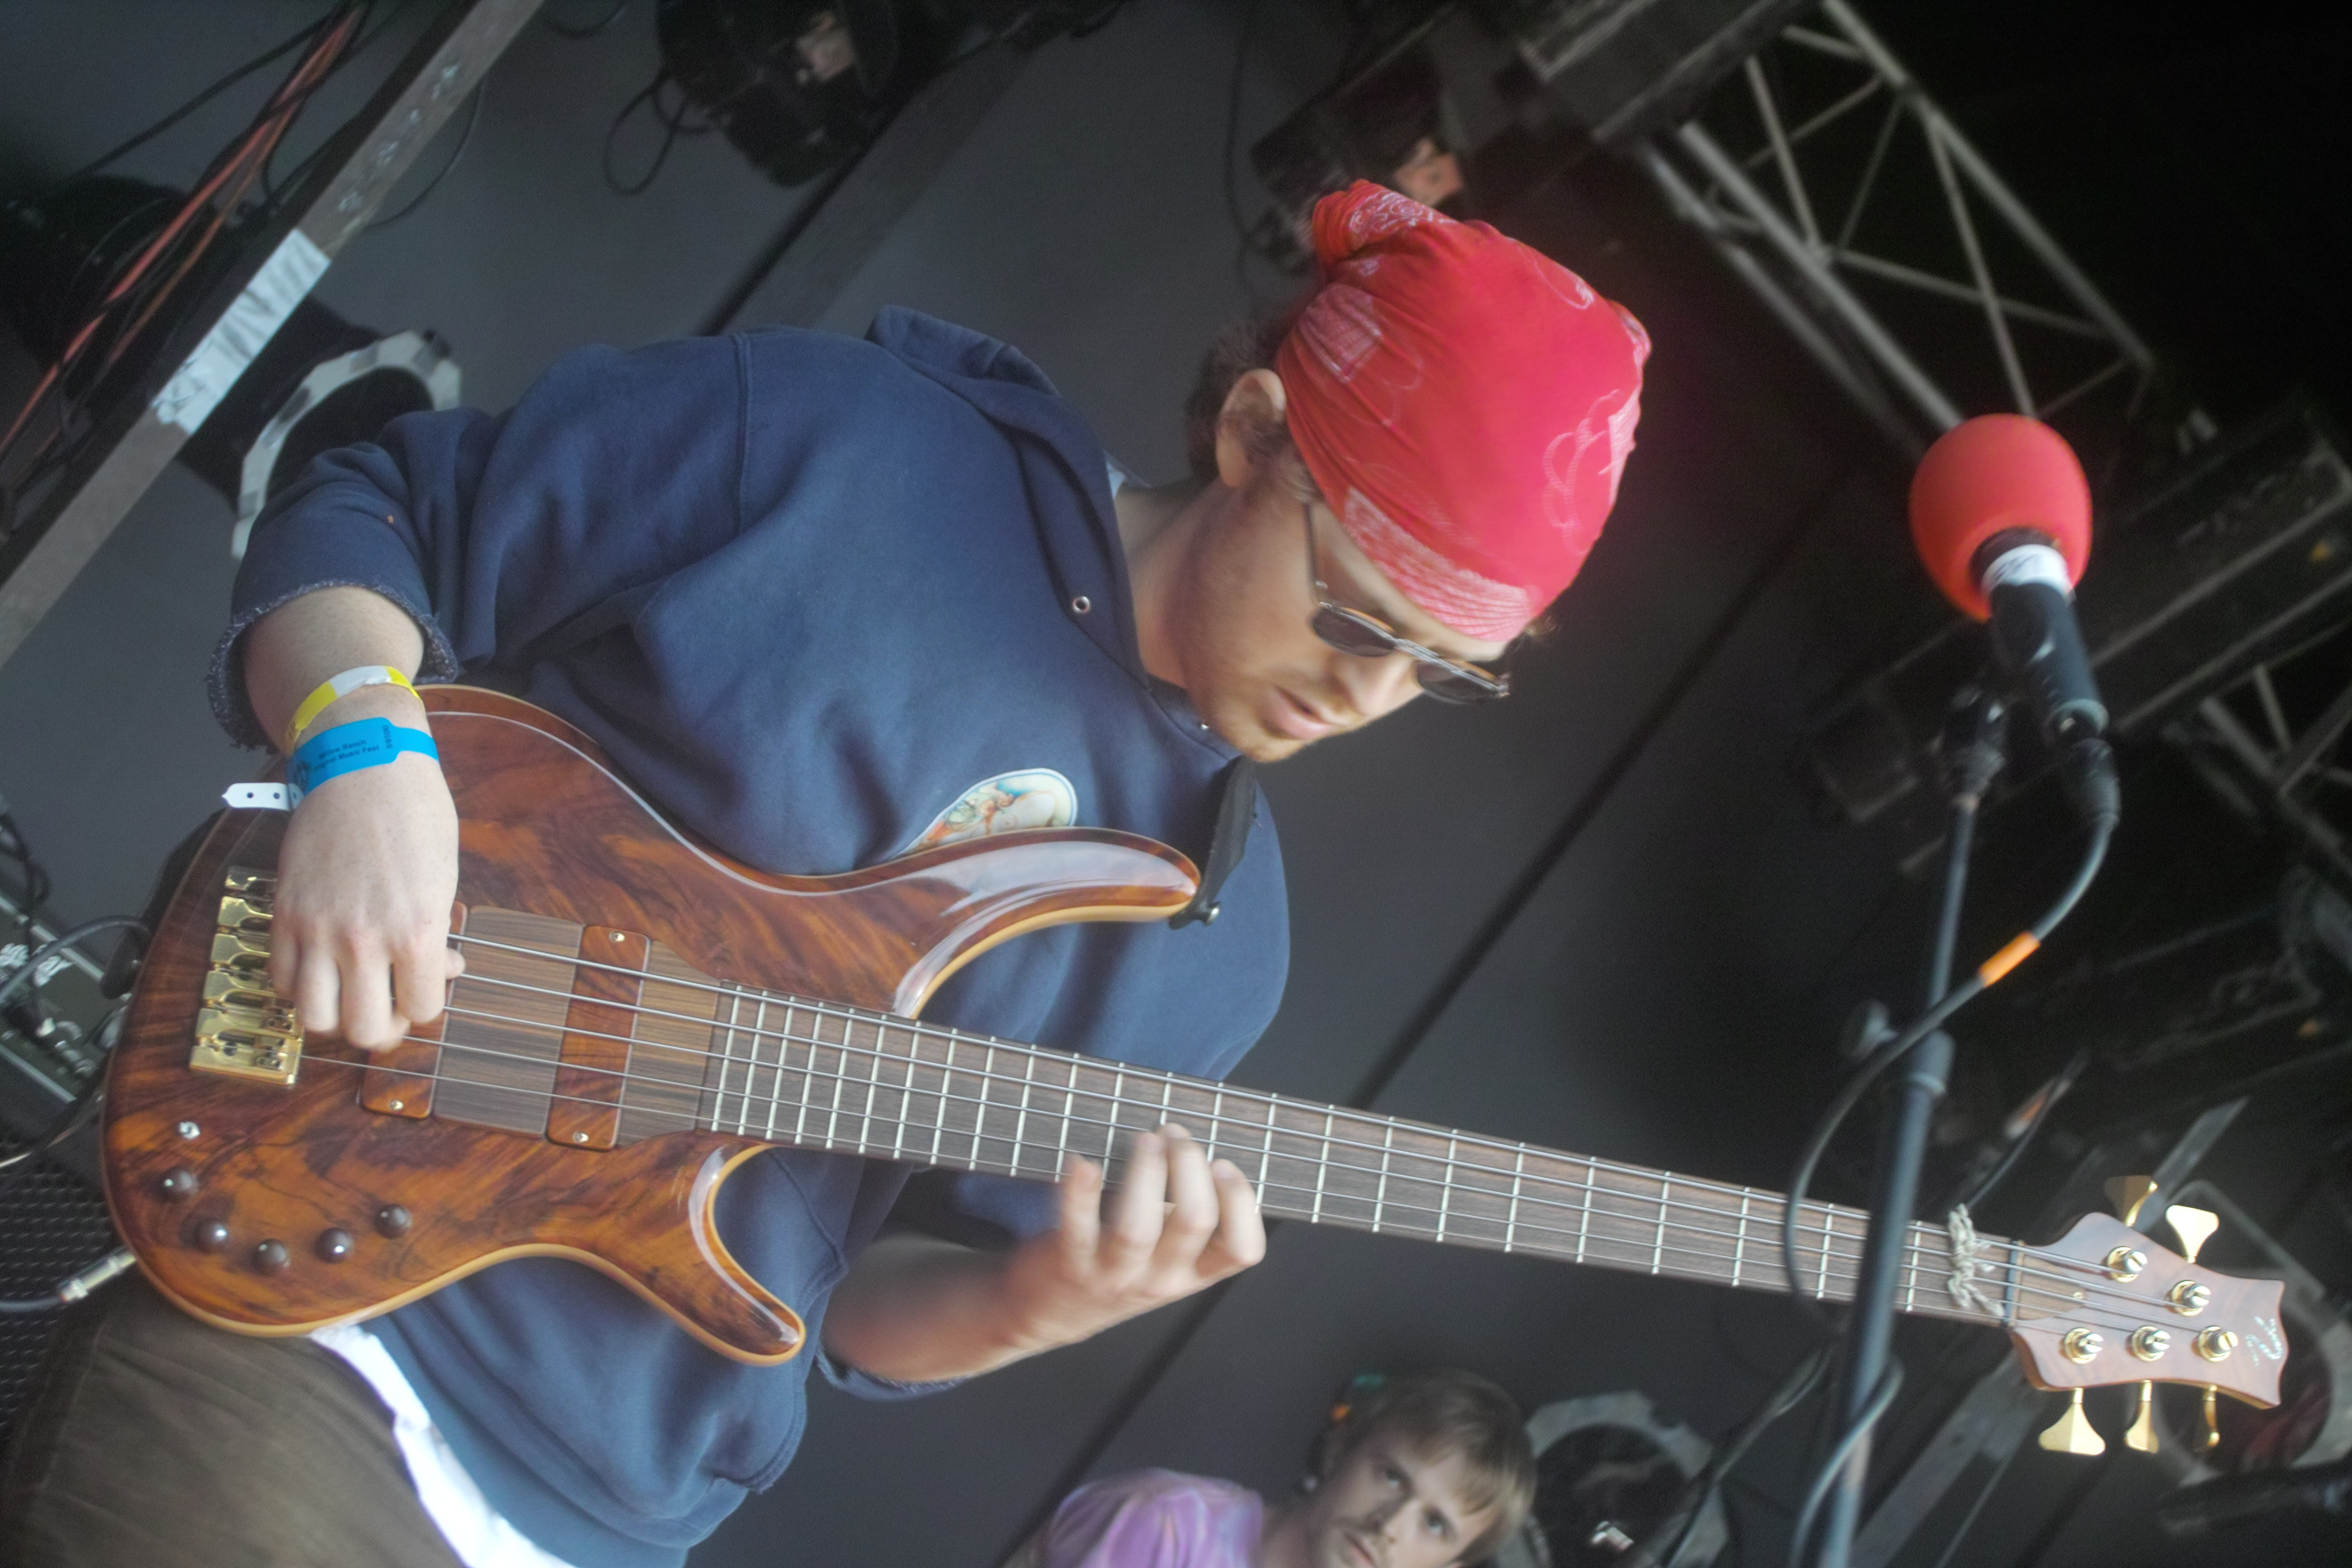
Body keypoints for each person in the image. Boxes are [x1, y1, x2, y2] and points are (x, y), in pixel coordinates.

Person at [0, 183, 1644, 1568]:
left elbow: (854, 1307)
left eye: (1438, 671)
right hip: (321, 1312)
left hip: (615, 1518)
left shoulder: (1216, 935)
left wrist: (1037, 1301)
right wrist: (365, 752)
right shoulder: (845, 446)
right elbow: (365, 512)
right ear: (1251, 431)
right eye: (1353, 613)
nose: (1366, 692)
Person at [1007, 1368, 1536, 1568]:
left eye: (1435, 1524)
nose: (1390, 1525)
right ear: (1340, 1449)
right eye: (1392, 1476)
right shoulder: (1165, 1522)